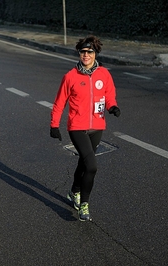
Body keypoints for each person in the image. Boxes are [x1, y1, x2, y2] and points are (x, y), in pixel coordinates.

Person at [50, 35, 121, 222]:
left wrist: (112, 106)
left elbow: (109, 94)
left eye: (90, 51)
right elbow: (59, 103)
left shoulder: (104, 74)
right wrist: (54, 125)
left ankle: (74, 191)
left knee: (83, 162)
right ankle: (84, 204)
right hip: (77, 127)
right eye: (83, 51)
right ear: (79, 53)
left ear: (95, 53)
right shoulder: (70, 76)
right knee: (91, 166)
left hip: (97, 126)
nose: (86, 55)